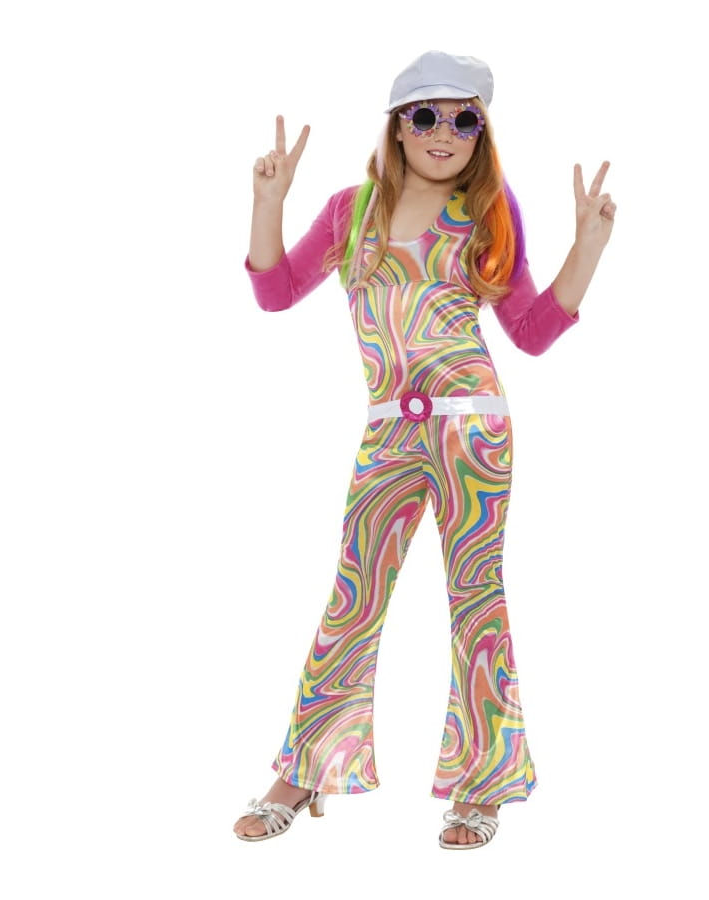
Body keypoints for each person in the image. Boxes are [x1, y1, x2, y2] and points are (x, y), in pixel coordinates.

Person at [233, 50, 615, 850]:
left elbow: (531, 333)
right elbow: (274, 292)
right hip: (389, 429)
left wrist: (587, 249)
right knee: (354, 595)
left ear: (482, 134)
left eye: (465, 118)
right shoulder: (351, 211)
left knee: (477, 597)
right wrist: (268, 204)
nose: (445, 131)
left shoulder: (488, 212)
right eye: (426, 115)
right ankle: (305, 771)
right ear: (397, 126)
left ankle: (483, 785)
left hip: (473, 429)